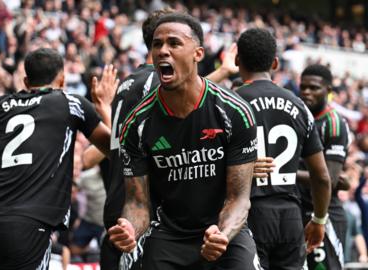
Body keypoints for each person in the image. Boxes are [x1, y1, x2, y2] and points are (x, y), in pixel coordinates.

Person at [108, 13, 260, 269]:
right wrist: (129, 228)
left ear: (198, 53)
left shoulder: (235, 112)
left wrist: (222, 234)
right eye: (157, 44)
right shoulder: (136, 124)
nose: (163, 51)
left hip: (223, 231)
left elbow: (239, 198)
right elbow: (137, 204)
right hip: (168, 234)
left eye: (174, 43)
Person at [0, 48, 111, 270]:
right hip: (28, 227)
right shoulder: (69, 102)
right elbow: (112, 147)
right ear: (62, 79)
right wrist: (105, 107)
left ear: (26, 80)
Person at [234, 28, 332, 270]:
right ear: (275, 63)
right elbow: (321, 177)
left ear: (237, 60)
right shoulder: (300, 106)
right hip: (290, 215)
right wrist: (319, 219)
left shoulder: (230, 102)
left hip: (247, 214)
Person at [297, 64, 350, 270]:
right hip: (296, 210)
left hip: (324, 214)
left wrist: (286, 174)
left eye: (314, 87)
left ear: (328, 91)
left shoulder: (334, 122)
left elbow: (330, 179)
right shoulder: (298, 116)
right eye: (303, 87)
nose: (307, 92)